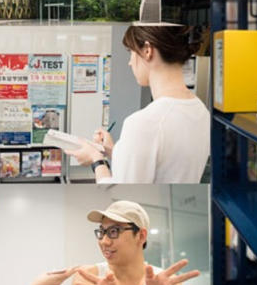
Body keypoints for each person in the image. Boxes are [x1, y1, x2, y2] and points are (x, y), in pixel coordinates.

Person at [65, 24, 210, 183]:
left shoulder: (143, 123)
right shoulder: (201, 111)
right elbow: (165, 168)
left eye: (131, 52)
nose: (130, 62)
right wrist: (115, 151)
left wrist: (96, 160)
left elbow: (119, 196)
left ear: (147, 50)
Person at [71, 200, 200, 285]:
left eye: (114, 231)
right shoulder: (89, 278)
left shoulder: (166, 282)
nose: (104, 241)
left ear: (141, 236)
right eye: (102, 232)